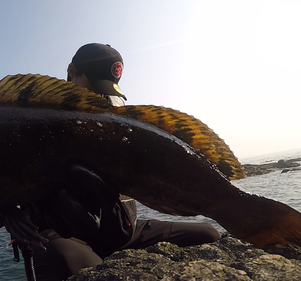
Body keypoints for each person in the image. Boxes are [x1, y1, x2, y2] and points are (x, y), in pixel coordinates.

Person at [24, 43, 221, 281]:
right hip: (67, 237)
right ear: (72, 70)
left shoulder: (114, 113)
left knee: (209, 234)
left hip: (123, 230)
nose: (100, 97)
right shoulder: (42, 119)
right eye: (94, 86)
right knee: (64, 256)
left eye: (105, 90)